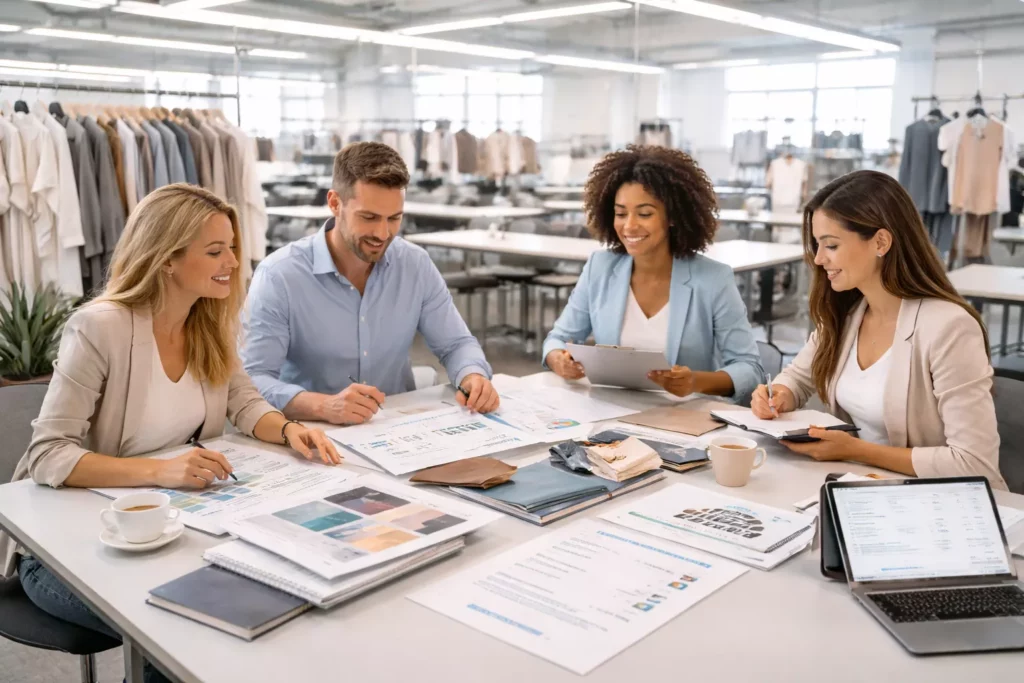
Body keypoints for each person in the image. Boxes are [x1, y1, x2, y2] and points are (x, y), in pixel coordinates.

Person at [1, 184, 341, 681]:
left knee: (254, 608)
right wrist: (162, 472)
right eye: (215, 251)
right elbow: (48, 455)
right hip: (67, 551)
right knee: (183, 635)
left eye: (231, 247)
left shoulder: (208, 320)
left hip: (169, 529)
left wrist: (289, 430)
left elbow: (244, 402)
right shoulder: (99, 328)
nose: (233, 262)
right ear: (166, 259)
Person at [750, 170, 1006, 488]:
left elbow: (974, 462)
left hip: (942, 499)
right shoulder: (847, 315)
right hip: (867, 488)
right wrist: (778, 395)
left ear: (881, 242)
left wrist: (856, 451)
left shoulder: (949, 328)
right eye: (817, 245)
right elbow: (798, 378)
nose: (818, 259)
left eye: (831, 245)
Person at [242, 141, 499, 424]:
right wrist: (323, 406)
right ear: (335, 203)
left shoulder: (415, 265)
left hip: (397, 427)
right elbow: (253, 379)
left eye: (394, 218)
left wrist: (472, 375)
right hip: (312, 431)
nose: (382, 233)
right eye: (369, 217)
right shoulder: (279, 276)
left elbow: (456, 344)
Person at [542, 145, 763, 401]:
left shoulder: (713, 279)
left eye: (644, 213)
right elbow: (557, 339)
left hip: (684, 414)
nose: (629, 226)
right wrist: (559, 360)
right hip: (610, 409)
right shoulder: (599, 268)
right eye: (620, 213)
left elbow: (750, 369)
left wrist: (695, 382)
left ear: (673, 216)